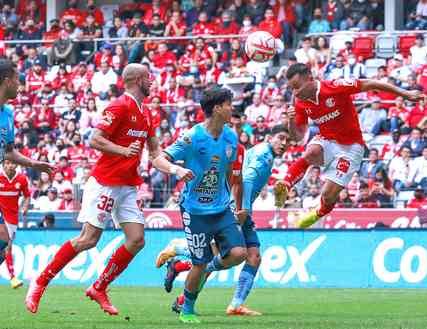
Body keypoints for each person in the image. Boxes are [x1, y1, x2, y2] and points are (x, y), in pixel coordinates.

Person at [25, 64, 193, 315]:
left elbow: (156, 154)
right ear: (137, 80)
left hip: (126, 186)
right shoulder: (119, 106)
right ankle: (40, 282)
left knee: (137, 240)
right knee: (88, 240)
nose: (153, 82)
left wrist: (176, 170)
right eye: (149, 77)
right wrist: (123, 151)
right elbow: (94, 139)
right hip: (105, 183)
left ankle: (99, 287)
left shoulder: (147, 113)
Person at [159, 125, 291, 316]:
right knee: (227, 256)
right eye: (281, 138)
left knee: (249, 257)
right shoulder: (264, 156)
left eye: (288, 141)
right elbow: (245, 179)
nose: (284, 144)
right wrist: (242, 209)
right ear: (269, 138)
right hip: (234, 208)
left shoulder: (262, 152)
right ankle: (179, 251)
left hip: (239, 208)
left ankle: (230, 303)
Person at [273, 63, 423, 228]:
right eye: (291, 88)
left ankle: (319, 212)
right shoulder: (299, 102)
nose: (294, 92)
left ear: (309, 78)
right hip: (326, 139)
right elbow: (297, 137)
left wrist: (406, 93)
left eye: (297, 87)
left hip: (351, 147)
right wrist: (291, 122)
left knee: (328, 195)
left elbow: (371, 83)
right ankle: (285, 185)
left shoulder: (335, 87)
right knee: (311, 152)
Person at [162, 87, 248, 324]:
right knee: (199, 266)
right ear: (217, 108)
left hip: (221, 209)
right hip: (195, 211)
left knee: (240, 253)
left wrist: (233, 202)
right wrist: (176, 169)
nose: (233, 108)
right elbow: (160, 158)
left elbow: (230, 172)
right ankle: (187, 309)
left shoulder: (230, 136)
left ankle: (185, 264)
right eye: (229, 104)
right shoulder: (191, 137)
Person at [0, 59, 53, 286]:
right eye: (16, 80)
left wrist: (34, 164)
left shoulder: (9, 114)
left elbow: (9, 152)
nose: (19, 86)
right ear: (6, 81)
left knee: (3, 243)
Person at [0, 160, 30, 289]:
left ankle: (12, 278)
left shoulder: (22, 179)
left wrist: (24, 206)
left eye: (12, 163)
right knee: (6, 245)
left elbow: (27, 196)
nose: (9, 165)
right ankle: (13, 277)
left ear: (16, 165)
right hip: (1, 214)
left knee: (6, 248)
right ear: (3, 165)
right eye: (6, 163)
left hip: (12, 217)